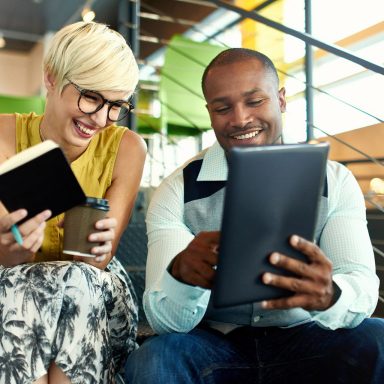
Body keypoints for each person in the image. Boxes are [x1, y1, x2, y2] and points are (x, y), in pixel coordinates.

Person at [125, 48, 384, 383]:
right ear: (209, 112)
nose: (240, 118)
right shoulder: (177, 190)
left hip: (308, 336)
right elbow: (165, 322)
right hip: (214, 346)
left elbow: (361, 285)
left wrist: (330, 295)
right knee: (154, 358)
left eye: (254, 101)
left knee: (379, 338)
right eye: (222, 108)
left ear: (281, 100)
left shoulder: (334, 181)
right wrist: (181, 277)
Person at [0, 22, 146, 383]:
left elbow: (98, 262)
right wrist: (10, 250)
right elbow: (8, 260)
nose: (100, 118)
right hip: (16, 287)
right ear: (50, 78)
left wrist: (97, 245)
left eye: (116, 105)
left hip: (92, 290)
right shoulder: (2, 136)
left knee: (75, 277)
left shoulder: (127, 148)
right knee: (23, 282)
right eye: (91, 97)